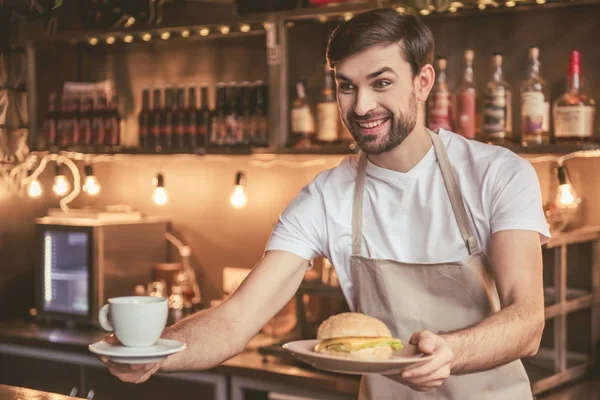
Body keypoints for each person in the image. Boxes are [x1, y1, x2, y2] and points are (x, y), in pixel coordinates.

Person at [101, 8, 549, 399]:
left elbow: (527, 320)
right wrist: (153, 353)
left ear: (423, 82)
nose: (362, 105)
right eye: (347, 86)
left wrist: (452, 351)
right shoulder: (326, 196)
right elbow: (236, 320)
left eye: (382, 82)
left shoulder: (497, 174)